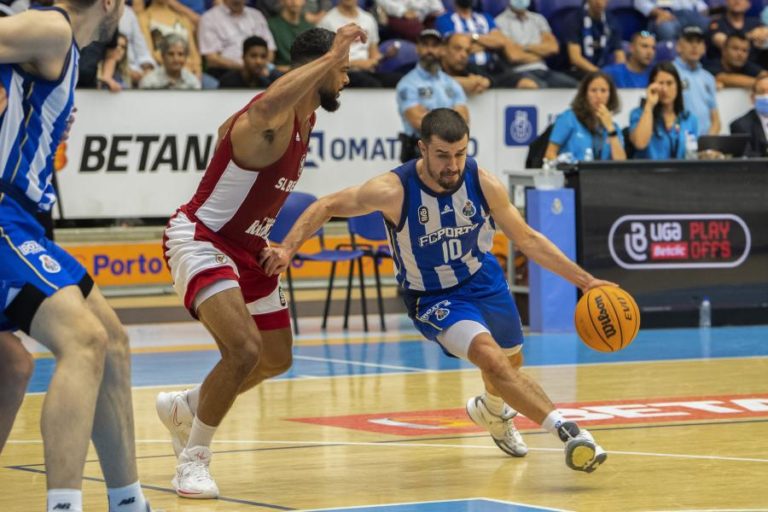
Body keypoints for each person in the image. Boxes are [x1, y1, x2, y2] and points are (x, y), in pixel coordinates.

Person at [260, 108, 613, 474]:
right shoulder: (393, 190)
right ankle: (570, 433)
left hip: (482, 278)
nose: (453, 165)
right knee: (491, 360)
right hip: (433, 296)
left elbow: (527, 239)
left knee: (510, 363)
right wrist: (287, 248)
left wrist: (586, 282)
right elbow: (326, 205)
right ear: (423, 149)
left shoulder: (483, 182)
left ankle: (492, 411)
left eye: (460, 153)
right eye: (443, 155)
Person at [155, 24, 366, 499]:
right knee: (244, 350)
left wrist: (269, 239)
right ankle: (193, 460)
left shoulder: (306, 122)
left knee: (276, 358)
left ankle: (186, 406)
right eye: (342, 70)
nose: (346, 79)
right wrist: (331, 54)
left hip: (250, 248)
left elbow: (223, 133)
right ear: (320, 68)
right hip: (203, 238)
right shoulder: (273, 115)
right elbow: (260, 111)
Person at [0, 3, 153, 512]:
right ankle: (64, 506)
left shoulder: (55, 49)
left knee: (110, 342)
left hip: (24, 222)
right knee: (84, 340)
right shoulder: (52, 28)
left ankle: (129, 502)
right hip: (4, 218)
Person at [396, 29, 469, 163]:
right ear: (417, 48)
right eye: (425, 45)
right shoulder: (407, 83)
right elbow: (418, 121)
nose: (430, 50)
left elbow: (463, 119)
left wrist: (429, 114)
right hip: (418, 154)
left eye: (434, 45)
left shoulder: (452, 83)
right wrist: (451, 116)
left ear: (442, 49)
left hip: (450, 155)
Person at [493, 0, 579, 88]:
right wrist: (541, 54)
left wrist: (524, 47)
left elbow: (553, 48)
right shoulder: (499, 22)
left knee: (574, 86)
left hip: (542, 69)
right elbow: (514, 56)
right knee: (539, 87)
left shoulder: (538, 19)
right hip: (517, 72)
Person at [545, 71, 626, 162]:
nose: (598, 96)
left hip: (603, 171)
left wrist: (610, 128)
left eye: (603, 91)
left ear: (610, 95)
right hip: (572, 170)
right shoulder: (569, 118)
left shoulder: (613, 128)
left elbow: (621, 163)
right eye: (593, 90)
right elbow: (549, 154)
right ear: (585, 93)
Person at [318, 0, 401, 87]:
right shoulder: (327, 21)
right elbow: (324, 60)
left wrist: (385, 55)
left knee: (397, 80)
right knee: (373, 85)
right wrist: (357, 63)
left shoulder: (368, 19)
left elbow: (373, 54)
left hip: (365, 72)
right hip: (343, 73)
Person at [629, 62, 698, 159]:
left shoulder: (689, 119)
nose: (665, 89)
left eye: (669, 83)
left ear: (678, 86)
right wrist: (649, 105)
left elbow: (692, 156)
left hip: (681, 168)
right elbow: (640, 143)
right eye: (660, 83)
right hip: (649, 168)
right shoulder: (638, 114)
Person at [673, 25, 720, 134]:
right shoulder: (669, 72)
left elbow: (716, 120)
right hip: (678, 138)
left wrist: (708, 140)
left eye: (698, 42)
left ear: (704, 48)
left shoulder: (708, 78)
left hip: (705, 140)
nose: (694, 46)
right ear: (678, 46)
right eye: (689, 41)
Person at [562, 0, 625, 79]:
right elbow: (575, 58)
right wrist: (600, 74)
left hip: (603, 71)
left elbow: (619, 55)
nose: (599, 2)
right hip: (578, 72)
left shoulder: (612, 21)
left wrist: (621, 74)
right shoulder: (574, 19)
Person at [218, 35, 282, 88]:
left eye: (263, 56)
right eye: (253, 56)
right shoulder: (228, 82)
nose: (258, 61)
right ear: (243, 57)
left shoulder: (269, 82)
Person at [268, 0, 314, 74]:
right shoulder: (271, 25)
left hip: (306, 73)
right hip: (280, 75)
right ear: (281, 1)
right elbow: (267, 64)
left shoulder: (309, 27)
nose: (294, 1)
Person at [729, 74, 768, 156]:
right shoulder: (740, 125)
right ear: (753, 98)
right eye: (761, 92)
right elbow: (747, 157)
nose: (766, 96)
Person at [635, 0, 710, 41]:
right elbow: (639, 2)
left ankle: (708, 62)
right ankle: (671, 62)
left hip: (690, 14)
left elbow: (701, 6)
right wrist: (659, 12)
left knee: (709, 25)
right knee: (666, 29)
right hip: (665, 15)